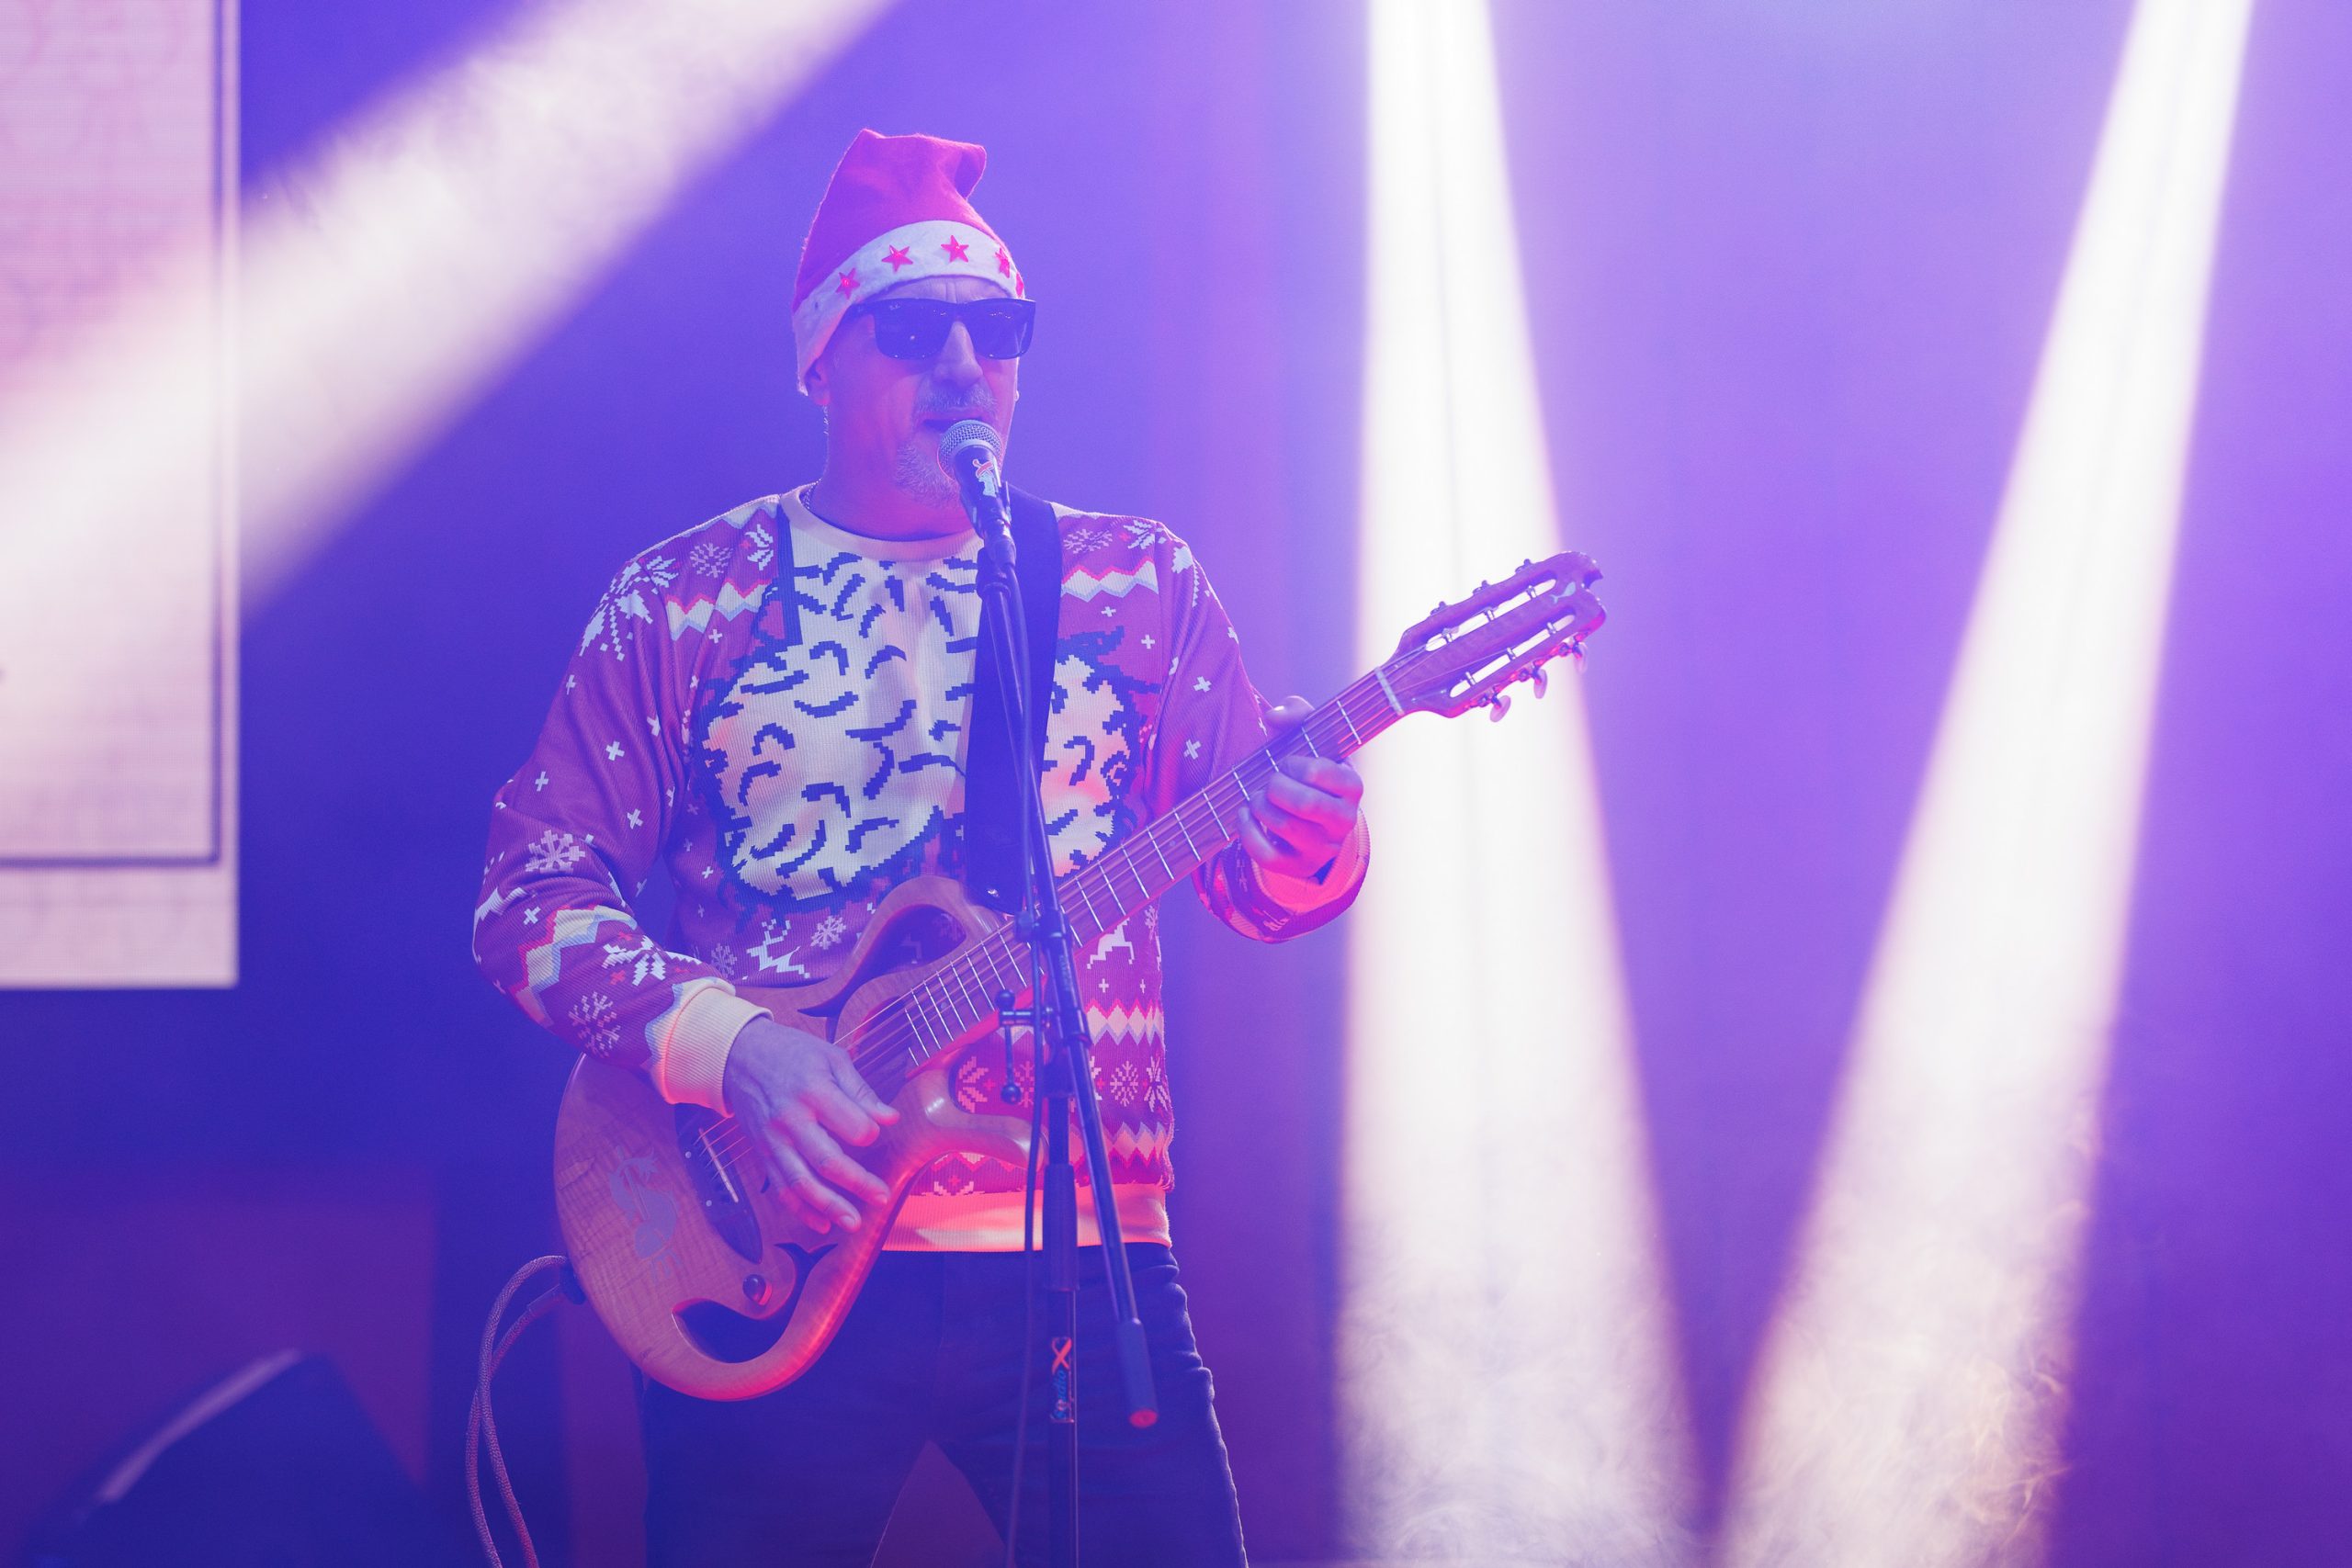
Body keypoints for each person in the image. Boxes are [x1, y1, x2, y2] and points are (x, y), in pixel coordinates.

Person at [472, 128, 1368, 1566]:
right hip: (772, 1237)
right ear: (822, 361)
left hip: (1084, 1262)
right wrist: (735, 1054)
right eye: (913, 329)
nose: (964, 363)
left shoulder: (1136, 582)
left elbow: (1261, 894)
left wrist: (1316, 837)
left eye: (996, 330)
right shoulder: (684, 599)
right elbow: (527, 899)